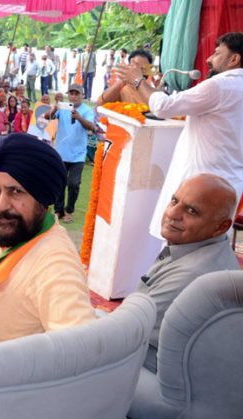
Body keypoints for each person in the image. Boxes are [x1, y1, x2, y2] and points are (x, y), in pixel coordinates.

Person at [0, 134, 95, 343]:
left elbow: (82, 351)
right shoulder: (11, 233)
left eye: (16, 192)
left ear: (43, 200)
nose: (1, 205)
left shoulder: (55, 263)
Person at [115, 32, 243, 238]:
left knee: (179, 245)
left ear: (234, 59)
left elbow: (164, 107)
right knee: (209, 250)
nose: (209, 59)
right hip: (230, 185)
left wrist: (138, 80)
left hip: (200, 187)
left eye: (217, 53)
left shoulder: (220, 85)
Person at [137, 174, 240, 371]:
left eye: (192, 210)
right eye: (174, 201)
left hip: (163, 380)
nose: (172, 213)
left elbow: (124, 333)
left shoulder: (191, 274)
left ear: (221, 226)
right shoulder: (206, 247)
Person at [44, 84, 95, 223]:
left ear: (82, 95)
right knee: (59, 182)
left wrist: (78, 117)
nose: (74, 96)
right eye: (71, 93)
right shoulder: (64, 107)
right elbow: (47, 116)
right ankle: (58, 210)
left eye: (76, 93)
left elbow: (91, 127)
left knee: (73, 183)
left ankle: (69, 210)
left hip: (78, 155)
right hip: (61, 153)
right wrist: (54, 109)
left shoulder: (87, 110)